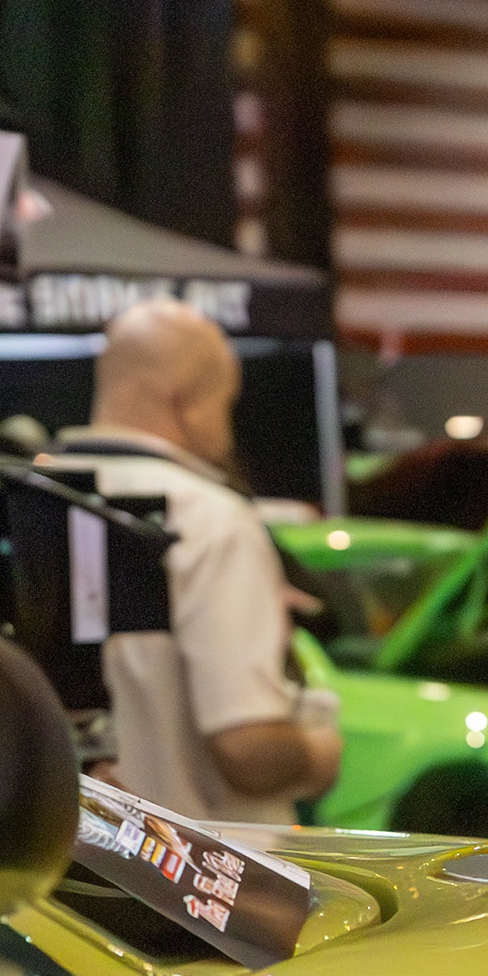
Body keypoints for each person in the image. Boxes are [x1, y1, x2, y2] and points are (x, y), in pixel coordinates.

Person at [56, 299, 339, 825]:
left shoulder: (36, 505)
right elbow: (247, 749)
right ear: (183, 401)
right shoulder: (210, 519)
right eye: (224, 405)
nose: (227, 432)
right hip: (205, 861)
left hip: (74, 854)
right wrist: (322, 753)